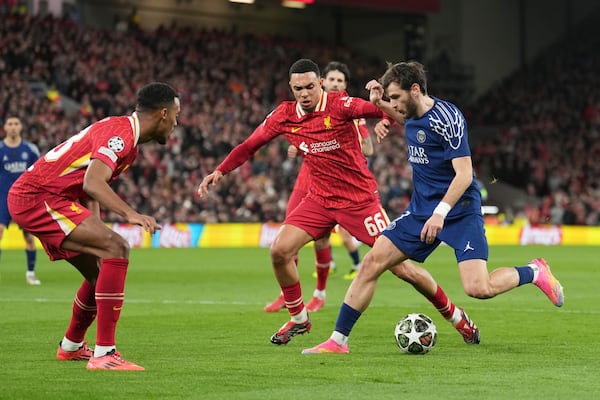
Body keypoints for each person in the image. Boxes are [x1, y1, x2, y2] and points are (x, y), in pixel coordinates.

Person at [199, 58, 478, 347]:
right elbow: (249, 145)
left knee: (400, 268)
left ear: (320, 84)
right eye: (298, 89)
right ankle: (298, 318)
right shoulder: (283, 116)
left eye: (310, 87)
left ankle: (456, 316)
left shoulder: (341, 106)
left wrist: (382, 114)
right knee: (280, 251)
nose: (304, 94)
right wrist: (220, 170)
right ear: (291, 88)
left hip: (359, 201)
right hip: (319, 199)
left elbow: (395, 110)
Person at [302, 61, 564, 354]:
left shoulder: (448, 118)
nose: (394, 105)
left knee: (478, 288)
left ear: (415, 90)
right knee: (372, 263)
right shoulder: (409, 112)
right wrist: (379, 105)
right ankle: (338, 341)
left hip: (459, 209)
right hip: (420, 210)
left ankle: (534, 271)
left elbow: (465, 174)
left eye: (396, 98)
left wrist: (440, 213)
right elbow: (404, 119)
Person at [8, 82, 180, 370]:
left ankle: (72, 346)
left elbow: (87, 189)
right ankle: (104, 354)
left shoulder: (128, 139)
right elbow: (93, 182)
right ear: (163, 113)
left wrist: (96, 228)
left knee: (99, 269)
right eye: (176, 114)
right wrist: (130, 214)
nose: (177, 122)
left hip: (49, 197)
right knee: (118, 247)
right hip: (39, 198)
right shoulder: (120, 135)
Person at [263, 61, 374, 314]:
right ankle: (287, 294)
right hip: (307, 178)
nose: (335, 84)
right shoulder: (307, 110)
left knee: (323, 240)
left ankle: (320, 293)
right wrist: (300, 144)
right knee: (286, 236)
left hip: (338, 183)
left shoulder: (349, 112)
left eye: (340, 82)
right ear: (324, 82)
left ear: (344, 87)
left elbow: (368, 149)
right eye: (331, 80)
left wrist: (350, 134)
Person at [0, 116, 41, 285]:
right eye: (10, 124)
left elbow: (37, 174)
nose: (13, 127)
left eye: (16, 123)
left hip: (23, 199)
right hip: (2, 198)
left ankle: (30, 273)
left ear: (21, 126)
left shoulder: (30, 150)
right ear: (5, 127)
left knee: (29, 237)